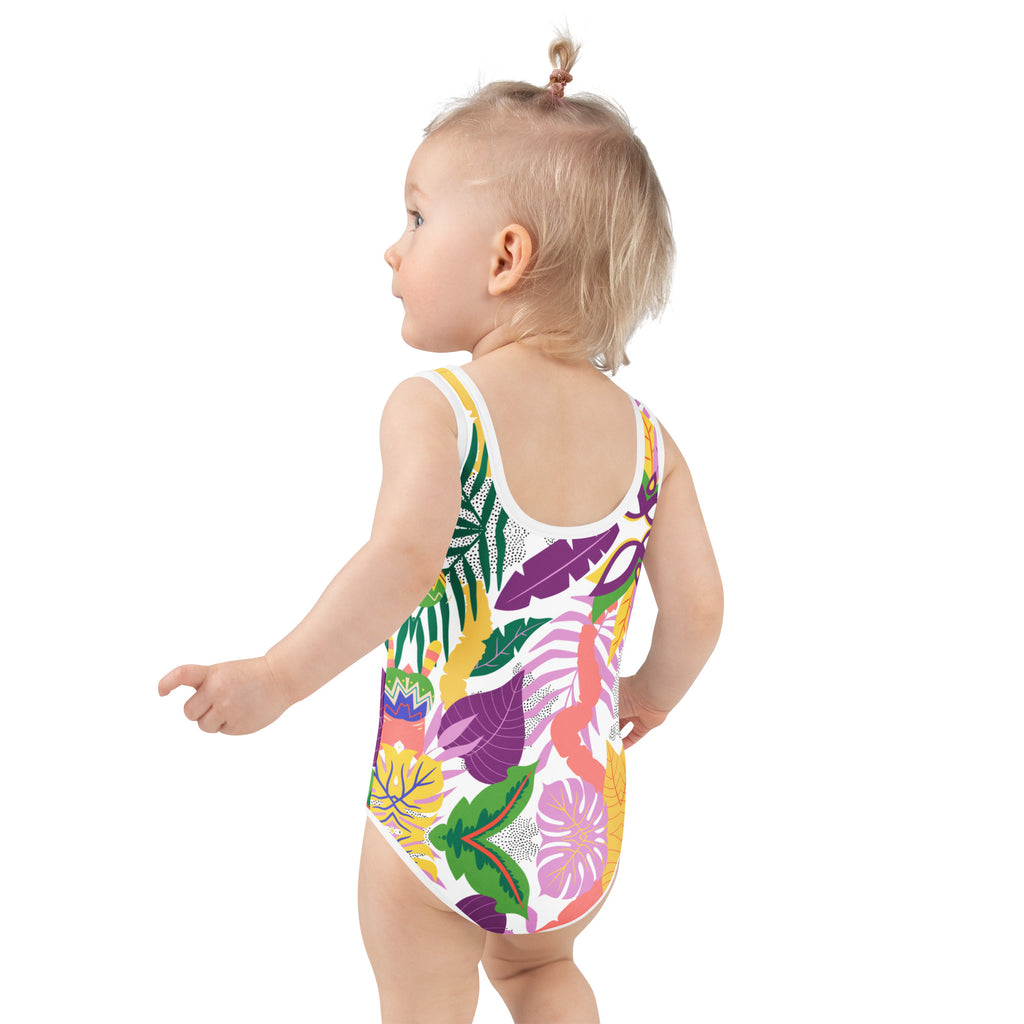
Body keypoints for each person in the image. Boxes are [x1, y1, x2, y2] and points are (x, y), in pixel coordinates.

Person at [159, 34, 723, 1024]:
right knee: (541, 975)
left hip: (441, 803)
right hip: (573, 812)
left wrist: (277, 676)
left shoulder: (440, 408)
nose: (393, 247)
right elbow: (703, 606)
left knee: (423, 993)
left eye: (416, 218)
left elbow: (404, 561)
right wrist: (648, 692)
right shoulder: (650, 442)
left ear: (506, 257)